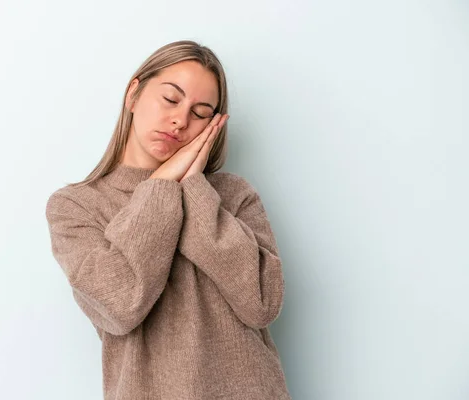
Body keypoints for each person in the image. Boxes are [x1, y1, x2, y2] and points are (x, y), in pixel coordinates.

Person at [45, 40, 291, 400]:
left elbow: (262, 304)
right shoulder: (75, 207)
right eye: (171, 99)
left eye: (201, 111)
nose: (180, 120)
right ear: (134, 94)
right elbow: (121, 306)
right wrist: (161, 185)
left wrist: (191, 184)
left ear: (214, 126)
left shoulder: (233, 195)